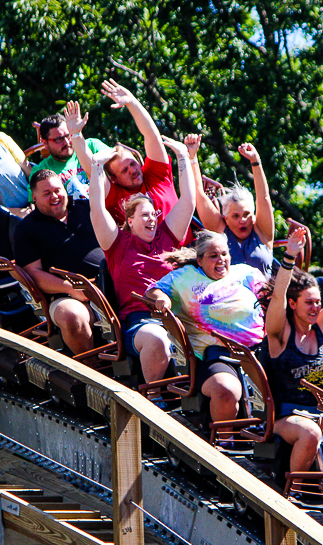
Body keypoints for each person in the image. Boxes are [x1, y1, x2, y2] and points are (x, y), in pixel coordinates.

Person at [64, 100, 194, 382]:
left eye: (153, 214)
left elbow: (189, 201)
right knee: (158, 339)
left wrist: (184, 157)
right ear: (129, 220)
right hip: (142, 319)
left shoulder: (167, 235)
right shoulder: (118, 244)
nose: (151, 219)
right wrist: (88, 155)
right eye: (144, 215)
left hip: (179, 314)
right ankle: (155, 398)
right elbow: (96, 207)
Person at [145, 231, 266, 425]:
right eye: (214, 255)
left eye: (225, 254)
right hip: (214, 355)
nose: (221, 259)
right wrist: (162, 298)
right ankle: (224, 438)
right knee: (225, 390)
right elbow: (153, 291)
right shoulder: (185, 277)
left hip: (258, 351)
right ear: (200, 260)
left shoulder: (246, 273)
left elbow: (272, 298)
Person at [264, 221, 323, 473]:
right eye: (309, 303)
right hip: (285, 417)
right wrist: (289, 257)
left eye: (318, 302)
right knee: (310, 432)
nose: (316, 307)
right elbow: (278, 296)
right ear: (293, 304)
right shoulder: (280, 334)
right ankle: (295, 488)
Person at [12, 168, 104, 356]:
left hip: (107, 281)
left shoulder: (86, 207)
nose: (54, 196)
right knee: (71, 316)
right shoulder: (25, 229)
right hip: (67, 294)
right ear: (34, 198)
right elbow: (33, 273)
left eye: (57, 190)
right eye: (46, 193)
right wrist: (71, 288)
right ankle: (90, 366)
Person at [184, 135, 275, 276]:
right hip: (229, 290)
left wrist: (255, 162)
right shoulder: (221, 231)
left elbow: (264, 197)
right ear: (226, 219)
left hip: (262, 289)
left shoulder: (262, 233)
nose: (242, 220)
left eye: (246, 214)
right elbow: (198, 193)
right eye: (235, 216)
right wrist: (192, 156)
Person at [99, 80, 177, 223]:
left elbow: (152, 136)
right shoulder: (115, 199)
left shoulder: (156, 175)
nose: (132, 170)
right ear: (114, 179)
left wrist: (131, 102)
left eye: (132, 163)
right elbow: (92, 172)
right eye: (124, 170)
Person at [32, 111, 110, 200]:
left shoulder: (92, 146)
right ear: (45, 143)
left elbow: (120, 162)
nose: (66, 142)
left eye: (68, 135)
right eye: (59, 139)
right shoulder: (40, 171)